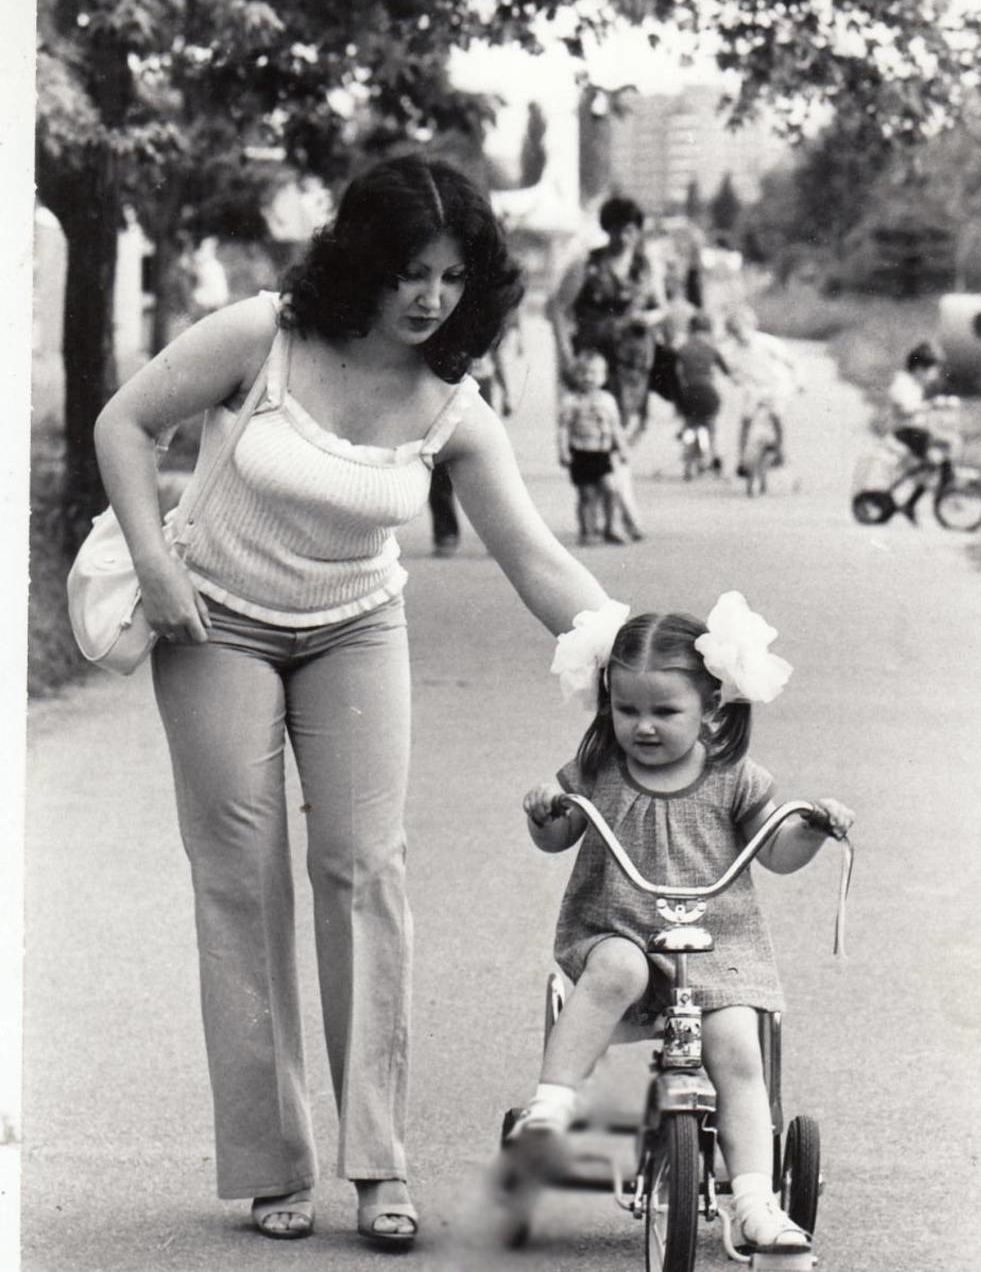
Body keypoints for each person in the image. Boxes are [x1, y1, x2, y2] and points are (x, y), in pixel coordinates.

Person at [93, 154, 617, 1249]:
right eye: (410, 271)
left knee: (364, 870)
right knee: (241, 880)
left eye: (452, 275)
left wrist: (639, 644)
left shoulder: (452, 405)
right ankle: (272, 1161)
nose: (430, 297)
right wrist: (153, 561)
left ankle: (379, 1163)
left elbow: (533, 559)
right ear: (363, 264)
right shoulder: (263, 337)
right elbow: (125, 426)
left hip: (354, 629)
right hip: (214, 621)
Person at [510, 596, 854, 1255]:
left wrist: (809, 827)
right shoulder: (599, 770)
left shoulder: (735, 778)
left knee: (738, 1050)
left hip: (717, 946)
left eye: (665, 711)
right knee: (618, 967)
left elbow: (776, 853)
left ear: (711, 708)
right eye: (626, 708)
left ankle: (754, 1199)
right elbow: (558, 835)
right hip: (616, 926)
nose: (642, 725)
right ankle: (551, 1107)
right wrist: (544, 811)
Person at [549, 196, 662, 401]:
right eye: (616, 230)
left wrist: (648, 318)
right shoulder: (587, 264)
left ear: (637, 232)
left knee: (623, 426)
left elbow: (662, 308)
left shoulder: (646, 267)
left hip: (632, 363)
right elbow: (557, 308)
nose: (623, 238)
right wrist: (566, 356)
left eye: (629, 231)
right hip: (592, 361)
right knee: (588, 423)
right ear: (607, 229)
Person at [427, 345, 513, 556]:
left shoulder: (485, 320)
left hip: (480, 385)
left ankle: (496, 536)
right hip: (443, 387)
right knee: (439, 467)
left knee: (486, 471)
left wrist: (507, 391)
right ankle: (446, 533)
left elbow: (496, 354)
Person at [557, 350, 643, 546]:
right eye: (583, 373)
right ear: (575, 376)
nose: (588, 378)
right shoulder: (570, 401)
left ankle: (611, 527)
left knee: (611, 489)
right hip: (580, 454)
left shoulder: (608, 400)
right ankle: (587, 530)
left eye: (594, 373)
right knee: (586, 495)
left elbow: (616, 428)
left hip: (602, 454)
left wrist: (623, 449)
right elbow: (563, 429)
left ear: (603, 376)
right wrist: (562, 451)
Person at [724, 308, 803, 477]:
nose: (739, 335)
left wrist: (799, 381)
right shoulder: (734, 350)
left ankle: (780, 451)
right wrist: (736, 379)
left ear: (751, 326)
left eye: (741, 329)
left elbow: (791, 361)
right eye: (734, 331)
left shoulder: (767, 342)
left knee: (776, 414)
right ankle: (743, 459)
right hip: (754, 388)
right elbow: (733, 371)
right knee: (746, 418)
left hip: (776, 385)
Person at [886, 342, 953, 522]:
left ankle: (914, 501)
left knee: (938, 456)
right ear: (919, 369)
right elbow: (904, 410)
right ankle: (946, 487)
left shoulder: (913, 384)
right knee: (939, 453)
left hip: (913, 431)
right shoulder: (901, 383)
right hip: (905, 431)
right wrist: (929, 406)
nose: (933, 376)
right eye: (931, 371)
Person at [674, 312, 732, 474]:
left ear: (690, 329)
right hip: (708, 393)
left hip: (687, 394)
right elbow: (727, 371)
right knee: (712, 425)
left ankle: (687, 455)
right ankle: (713, 456)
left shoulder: (682, 348)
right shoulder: (712, 349)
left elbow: (674, 371)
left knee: (689, 422)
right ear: (709, 330)